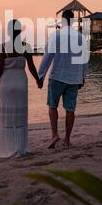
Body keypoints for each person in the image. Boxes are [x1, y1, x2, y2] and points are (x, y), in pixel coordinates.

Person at [38, 10, 88, 148]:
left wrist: (40, 76)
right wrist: (83, 77)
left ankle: (54, 135)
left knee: (52, 106)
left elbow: (47, 57)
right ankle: (67, 139)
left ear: (62, 20)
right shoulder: (80, 38)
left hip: (57, 77)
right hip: (73, 79)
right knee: (70, 109)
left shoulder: (55, 36)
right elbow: (84, 60)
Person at [0, 19, 42, 158]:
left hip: (6, 84)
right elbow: (31, 67)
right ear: (20, 31)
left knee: (7, 118)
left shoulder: (2, 47)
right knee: (20, 118)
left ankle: (7, 147)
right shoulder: (26, 46)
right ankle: (20, 147)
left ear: (8, 32)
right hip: (20, 84)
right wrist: (38, 80)